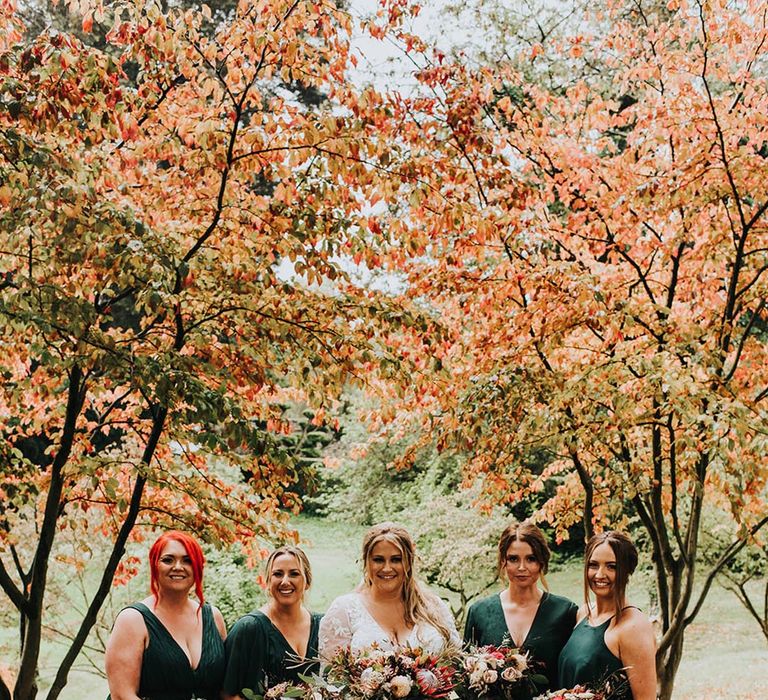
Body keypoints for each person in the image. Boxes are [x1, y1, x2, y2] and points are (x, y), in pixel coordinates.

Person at [104, 531, 226, 700]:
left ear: (197, 567)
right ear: (155, 565)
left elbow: (225, 687)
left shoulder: (214, 617)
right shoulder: (133, 620)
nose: (178, 566)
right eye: (168, 560)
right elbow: (122, 695)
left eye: (187, 560)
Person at [464, 521, 577, 697]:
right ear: (503, 561)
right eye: (513, 559)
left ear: (542, 561)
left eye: (531, 559)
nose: (522, 567)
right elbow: (467, 681)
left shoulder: (565, 612)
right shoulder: (479, 612)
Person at [318, 522, 460, 657]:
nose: (387, 568)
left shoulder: (433, 606)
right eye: (378, 560)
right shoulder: (344, 611)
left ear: (409, 562)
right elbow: (331, 677)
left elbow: (457, 666)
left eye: (396, 559)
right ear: (366, 562)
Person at [558, 531, 656, 700]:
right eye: (593, 565)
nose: (600, 574)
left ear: (627, 571)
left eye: (612, 566)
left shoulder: (633, 627)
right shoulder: (583, 613)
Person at [221, 546, 322, 699]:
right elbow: (227, 694)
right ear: (268, 581)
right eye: (278, 574)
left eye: (294, 574)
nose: (285, 581)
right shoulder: (249, 628)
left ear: (307, 581)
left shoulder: (323, 626)